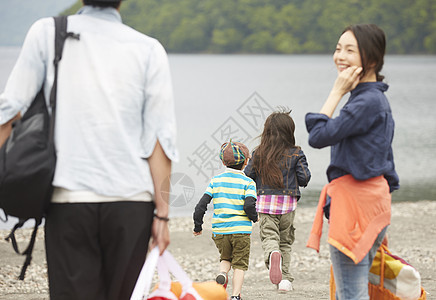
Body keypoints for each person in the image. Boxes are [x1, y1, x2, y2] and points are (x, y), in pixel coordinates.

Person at [0, 0, 178, 299]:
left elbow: (8, 113)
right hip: (131, 203)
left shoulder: (47, 32)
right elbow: (160, 140)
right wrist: (162, 216)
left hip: (68, 200)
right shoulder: (149, 49)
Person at [305, 24, 399, 299]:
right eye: (337, 49)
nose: (340, 56)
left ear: (370, 58)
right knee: (355, 289)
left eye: (349, 50)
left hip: (355, 209)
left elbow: (318, 136)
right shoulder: (374, 100)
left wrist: (336, 92)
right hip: (371, 204)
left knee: (350, 293)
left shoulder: (365, 102)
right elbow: (387, 161)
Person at [244, 109, 311, 292]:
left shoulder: (259, 153)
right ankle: (285, 281)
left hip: (265, 204)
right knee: (286, 242)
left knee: (270, 238)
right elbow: (304, 178)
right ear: (290, 132)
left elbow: (248, 176)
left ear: (266, 132)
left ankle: (273, 254)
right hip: (288, 205)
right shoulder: (296, 153)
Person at [193, 141, 258, 300]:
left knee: (225, 258)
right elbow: (249, 205)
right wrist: (254, 218)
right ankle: (235, 296)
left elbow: (201, 206)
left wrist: (198, 226)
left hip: (220, 231)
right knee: (240, 265)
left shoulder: (216, 181)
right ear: (246, 162)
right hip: (241, 231)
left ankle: (222, 273)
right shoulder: (248, 182)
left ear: (222, 161)